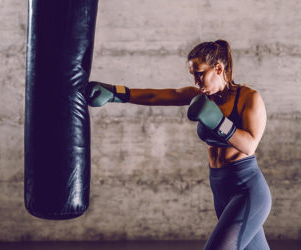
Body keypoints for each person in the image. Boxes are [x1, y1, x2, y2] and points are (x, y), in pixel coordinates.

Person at [86, 40, 272, 250]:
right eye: (193, 74)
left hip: (247, 189)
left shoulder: (249, 98)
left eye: (200, 73)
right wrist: (114, 93)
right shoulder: (201, 97)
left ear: (218, 68)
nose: (196, 80)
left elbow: (249, 145)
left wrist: (219, 122)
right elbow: (157, 96)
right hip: (221, 189)